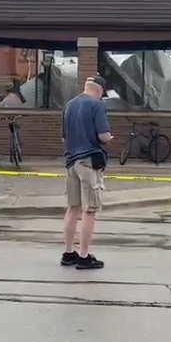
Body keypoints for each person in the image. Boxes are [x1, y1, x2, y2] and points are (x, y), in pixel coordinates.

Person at [60, 75, 112, 270]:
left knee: (72, 208)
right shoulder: (96, 105)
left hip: (70, 162)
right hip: (89, 162)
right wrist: (109, 138)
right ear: (99, 91)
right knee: (89, 210)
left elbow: (64, 138)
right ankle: (84, 255)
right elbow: (103, 136)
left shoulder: (69, 105)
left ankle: (68, 252)